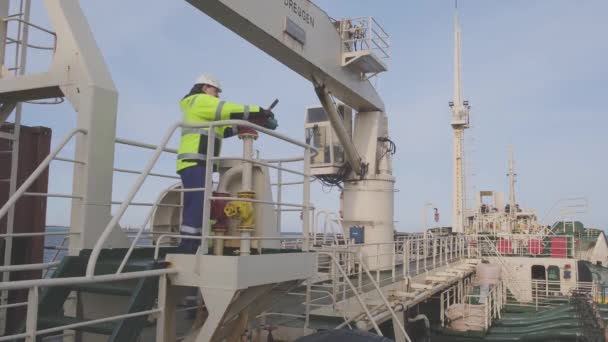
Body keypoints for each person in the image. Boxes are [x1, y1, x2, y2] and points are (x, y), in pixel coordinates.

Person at [177, 73, 278, 253]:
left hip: (200, 164)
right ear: (204, 88)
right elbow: (228, 109)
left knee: (201, 205)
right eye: (215, 90)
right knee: (197, 204)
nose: (217, 95)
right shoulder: (199, 100)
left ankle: (194, 246)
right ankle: (187, 248)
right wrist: (258, 111)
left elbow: (224, 130)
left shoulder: (204, 111)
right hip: (194, 162)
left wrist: (245, 123)